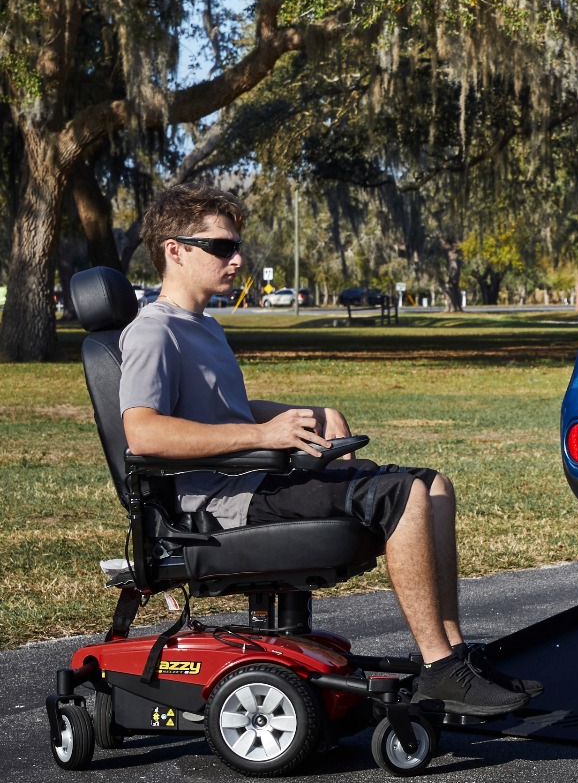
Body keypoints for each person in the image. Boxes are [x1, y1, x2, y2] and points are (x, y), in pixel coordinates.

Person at [117, 184, 537, 716]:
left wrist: (301, 412)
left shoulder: (203, 327)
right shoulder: (153, 333)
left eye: (236, 245)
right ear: (175, 250)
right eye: (222, 247)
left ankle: (455, 656)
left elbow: (225, 411)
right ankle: (438, 668)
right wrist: (264, 435)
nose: (238, 258)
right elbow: (145, 434)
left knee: (434, 486)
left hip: (250, 482)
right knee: (401, 494)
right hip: (221, 504)